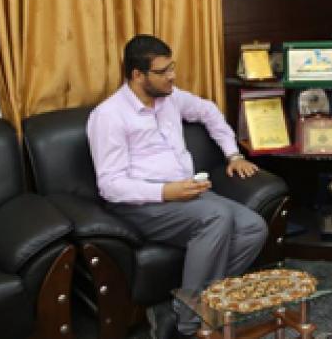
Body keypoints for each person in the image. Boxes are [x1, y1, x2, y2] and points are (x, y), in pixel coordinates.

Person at [86, 35, 267, 339]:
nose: (172, 76)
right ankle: (189, 327)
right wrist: (165, 192)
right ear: (137, 75)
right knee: (217, 217)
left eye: (172, 67)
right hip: (141, 205)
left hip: (186, 194)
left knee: (254, 227)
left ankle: (183, 311)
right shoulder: (108, 116)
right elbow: (110, 185)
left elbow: (208, 111)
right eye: (163, 71)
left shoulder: (170, 98)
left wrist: (233, 154)